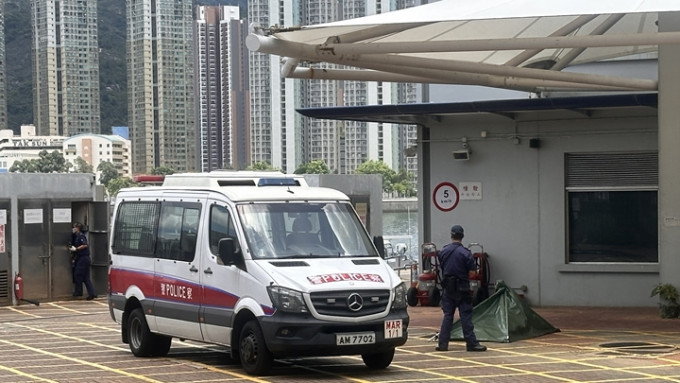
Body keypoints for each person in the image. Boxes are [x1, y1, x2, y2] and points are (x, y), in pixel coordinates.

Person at [436, 225, 486, 352]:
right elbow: (472, 274)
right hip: (462, 288)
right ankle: (471, 343)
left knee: (448, 315)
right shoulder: (466, 253)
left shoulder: (443, 251)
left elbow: (442, 268)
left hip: (448, 288)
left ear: (451, 236)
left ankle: (442, 344)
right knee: (465, 316)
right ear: (462, 236)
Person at [70, 222, 96, 300]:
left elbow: (85, 245)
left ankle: (78, 292)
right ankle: (92, 293)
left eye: (74, 227)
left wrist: (76, 249)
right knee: (85, 278)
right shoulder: (76, 236)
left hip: (83, 259)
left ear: (77, 228)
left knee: (77, 274)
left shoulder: (81, 236)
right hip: (81, 258)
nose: (73, 229)